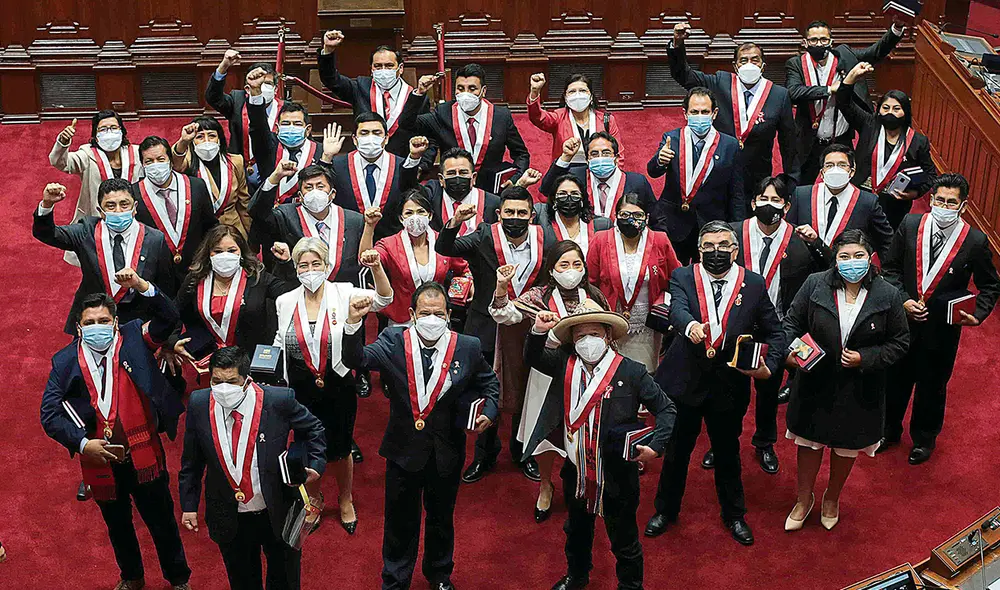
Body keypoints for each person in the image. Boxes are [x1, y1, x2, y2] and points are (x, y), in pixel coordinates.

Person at [341, 282, 500, 590]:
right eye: (425, 312)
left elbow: (489, 384)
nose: (431, 318)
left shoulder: (467, 346)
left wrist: (490, 413)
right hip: (403, 450)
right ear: (412, 314)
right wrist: (352, 323)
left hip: (447, 451)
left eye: (438, 313)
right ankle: (396, 578)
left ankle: (439, 574)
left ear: (448, 314)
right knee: (400, 521)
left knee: (441, 518)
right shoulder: (392, 340)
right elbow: (356, 360)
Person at [39, 286, 191, 590]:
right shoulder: (65, 361)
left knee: (162, 521)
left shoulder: (135, 337)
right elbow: (49, 414)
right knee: (118, 525)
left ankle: (178, 579)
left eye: (104, 320)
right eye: (91, 322)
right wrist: (83, 444)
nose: (98, 327)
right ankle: (132, 576)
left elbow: (169, 316)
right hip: (100, 458)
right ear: (80, 327)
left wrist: (143, 287)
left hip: (144, 450)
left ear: (116, 322)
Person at [646, 221, 785, 546]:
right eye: (708, 246)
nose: (716, 251)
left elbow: (774, 332)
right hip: (685, 382)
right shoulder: (683, 276)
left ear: (735, 250)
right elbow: (676, 309)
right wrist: (690, 324)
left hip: (729, 385)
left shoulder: (752, 283)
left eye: (723, 245)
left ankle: (734, 514)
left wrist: (770, 367)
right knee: (677, 451)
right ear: (699, 250)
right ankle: (665, 510)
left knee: (727, 451)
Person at [523, 300, 676, 590]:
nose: (588, 341)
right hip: (576, 472)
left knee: (624, 540)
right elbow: (532, 357)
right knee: (576, 531)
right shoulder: (563, 365)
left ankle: (630, 586)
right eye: (581, 335)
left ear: (608, 336)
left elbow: (667, 409)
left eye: (594, 334)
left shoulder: (631, 371)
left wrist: (656, 446)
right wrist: (537, 331)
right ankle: (577, 576)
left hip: (617, 475)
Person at [782, 229, 909, 531]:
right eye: (844, 256)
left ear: (869, 258)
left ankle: (831, 498)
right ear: (835, 260)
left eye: (858, 256)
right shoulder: (815, 284)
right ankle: (803, 500)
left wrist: (865, 358)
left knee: (845, 447)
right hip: (815, 383)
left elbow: (900, 342)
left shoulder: (888, 294)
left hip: (860, 388)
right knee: (809, 444)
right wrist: (797, 355)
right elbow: (791, 323)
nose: (852, 262)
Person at [178, 346, 326, 590]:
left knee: (285, 581)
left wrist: (315, 465)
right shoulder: (199, 403)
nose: (223, 388)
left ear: (247, 379)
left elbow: (314, 429)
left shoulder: (279, 400)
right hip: (229, 513)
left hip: (277, 510)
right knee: (243, 582)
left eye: (232, 381)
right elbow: (191, 460)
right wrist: (189, 505)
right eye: (217, 381)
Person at [712, 175, 832, 475]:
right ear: (753, 203)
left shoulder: (799, 240)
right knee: (730, 392)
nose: (769, 205)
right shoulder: (734, 233)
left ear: (787, 206)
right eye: (763, 199)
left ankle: (764, 442)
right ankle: (722, 442)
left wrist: (818, 243)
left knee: (767, 394)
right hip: (734, 326)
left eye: (776, 201)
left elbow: (828, 271)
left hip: (776, 328)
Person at [273, 237, 393, 533]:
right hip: (300, 386)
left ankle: (345, 498)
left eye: (316, 264)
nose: (310, 270)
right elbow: (280, 342)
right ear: (296, 268)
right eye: (303, 265)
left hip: (338, 382)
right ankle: (314, 498)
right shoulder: (285, 300)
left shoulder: (345, 292)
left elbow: (385, 299)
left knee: (339, 447)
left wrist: (377, 268)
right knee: (305, 446)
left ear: (327, 266)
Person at [435, 186, 554, 483]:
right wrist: (453, 222)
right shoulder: (484, 235)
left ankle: (521, 450)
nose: (515, 218)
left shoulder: (547, 238)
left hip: (527, 327)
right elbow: (445, 249)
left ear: (531, 216)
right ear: (499, 214)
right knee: (487, 391)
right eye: (510, 213)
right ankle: (484, 455)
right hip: (486, 325)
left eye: (521, 213)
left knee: (525, 390)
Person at [882, 174, 1000, 464]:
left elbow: (991, 284)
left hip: (943, 330)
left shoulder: (974, 240)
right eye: (940, 200)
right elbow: (890, 269)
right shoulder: (910, 225)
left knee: (932, 386)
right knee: (895, 380)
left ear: (962, 205)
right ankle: (888, 430)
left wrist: (978, 314)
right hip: (902, 324)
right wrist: (904, 300)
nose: (944, 206)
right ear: (932, 199)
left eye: (951, 202)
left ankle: (924, 439)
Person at [489, 241, 610, 522]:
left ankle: (583, 482)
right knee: (545, 437)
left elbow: (610, 335)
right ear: (552, 270)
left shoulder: (594, 296)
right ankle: (545, 485)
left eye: (577, 264)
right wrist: (501, 286)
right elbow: (502, 313)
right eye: (564, 265)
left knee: (584, 433)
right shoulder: (538, 296)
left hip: (585, 376)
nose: (571, 270)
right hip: (545, 375)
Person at [668, 22, 799, 199]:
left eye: (755, 60)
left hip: (757, 171)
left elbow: (788, 143)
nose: (749, 64)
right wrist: (677, 44)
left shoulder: (779, 95)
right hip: (719, 165)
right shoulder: (721, 82)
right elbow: (684, 75)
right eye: (743, 60)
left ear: (763, 65)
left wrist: (790, 181)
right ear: (735, 66)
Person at [33, 179, 176, 333]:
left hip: (138, 325)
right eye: (110, 206)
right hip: (93, 322)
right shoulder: (86, 231)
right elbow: (48, 234)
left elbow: (167, 290)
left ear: (134, 207)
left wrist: (169, 338)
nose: (118, 211)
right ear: (100, 211)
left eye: (124, 204)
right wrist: (46, 205)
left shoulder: (155, 239)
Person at [785, 19, 906, 185]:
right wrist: (829, 89)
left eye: (824, 40)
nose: (819, 44)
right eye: (814, 40)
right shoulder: (796, 64)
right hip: (809, 140)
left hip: (841, 138)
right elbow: (793, 92)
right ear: (805, 42)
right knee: (803, 187)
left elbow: (876, 51)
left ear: (831, 41)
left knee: (844, 185)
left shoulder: (845, 55)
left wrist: (896, 29)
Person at [170, 224, 298, 371]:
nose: (225, 256)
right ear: (208, 254)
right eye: (217, 251)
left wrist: (287, 264)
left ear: (241, 252)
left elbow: (291, 295)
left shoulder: (257, 277)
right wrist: (172, 341)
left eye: (231, 251)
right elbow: (173, 311)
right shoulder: (195, 279)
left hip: (252, 362)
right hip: (208, 362)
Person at [647, 87, 745, 263]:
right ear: (685, 113)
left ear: (714, 113)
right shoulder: (672, 139)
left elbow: (736, 191)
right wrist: (660, 160)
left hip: (711, 225)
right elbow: (653, 172)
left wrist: (736, 229)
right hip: (673, 222)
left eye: (704, 112)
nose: (700, 116)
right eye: (694, 112)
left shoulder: (729, 145)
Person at [836, 62, 938, 229]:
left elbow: (931, 174)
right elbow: (843, 102)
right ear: (879, 110)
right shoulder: (869, 125)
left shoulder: (918, 141)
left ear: (905, 113)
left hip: (895, 203)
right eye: (886, 108)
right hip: (860, 195)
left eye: (896, 108)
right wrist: (852, 76)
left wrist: (915, 193)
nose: (890, 112)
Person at [587, 193, 682, 372]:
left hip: (647, 325)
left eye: (637, 215)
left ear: (646, 217)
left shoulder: (660, 240)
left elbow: (676, 279)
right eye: (625, 215)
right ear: (616, 217)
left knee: (644, 375)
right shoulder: (600, 240)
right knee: (610, 375)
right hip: (610, 323)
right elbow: (590, 282)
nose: (631, 220)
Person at [410, 63, 531, 191]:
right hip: (452, 189)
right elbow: (408, 123)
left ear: (483, 91)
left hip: (489, 191)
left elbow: (521, 154)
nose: (465, 93)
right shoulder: (443, 113)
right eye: (460, 88)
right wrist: (419, 93)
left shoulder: (501, 117)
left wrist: (515, 179)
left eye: (472, 88)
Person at [362, 189, 469, 328]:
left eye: (421, 211)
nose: (415, 217)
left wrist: (466, 284)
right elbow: (366, 258)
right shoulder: (389, 244)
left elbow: (464, 269)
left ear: (430, 215)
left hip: (437, 318)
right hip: (401, 321)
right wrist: (369, 226)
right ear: (401, 218)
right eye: (409, 213)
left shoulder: (443, 242)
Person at [249, 162, 365, 285]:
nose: (315, 192)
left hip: (341, 295)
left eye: (320, 187)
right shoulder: (285, 215)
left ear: (333, 194)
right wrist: (275, 177)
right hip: (296, 291)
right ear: (300, 196)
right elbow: (257, 213)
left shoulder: (355, 221)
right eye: (309, 187)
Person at [317, 30, 429, 157]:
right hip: (366, 159)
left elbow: (426, 134)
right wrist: (328, 51)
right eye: (378, 66)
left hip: (402, 164)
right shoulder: (360, 88)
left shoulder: (415, 97)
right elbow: (331, 80)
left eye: (389, 66)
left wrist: (420, 167)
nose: (383, 70)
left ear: (400, 68)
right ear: (371, 69)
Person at [786, 144, 894, 261]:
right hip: (806, 270)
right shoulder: (801, 195)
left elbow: (887, 242)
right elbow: (788, 232)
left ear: (852, 172)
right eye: (829, 165)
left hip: (847, 271)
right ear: (822, 173)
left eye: (842, 165)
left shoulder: (867, 202)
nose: (835, 169)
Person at [328, 114, 422, 241]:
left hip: (392, 242)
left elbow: (411, 194)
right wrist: (326, 156)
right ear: (355, 139)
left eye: (376, 133)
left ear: (386, 138)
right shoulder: (338, 165)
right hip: (349, 241)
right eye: (364, 133)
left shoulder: (403, 166)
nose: (370, 137)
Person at [132, 136, 218, 273]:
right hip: (156, 272)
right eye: (149, 161)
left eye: (160, 159)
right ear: (142, 165)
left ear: (170, 161)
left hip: (195, 269)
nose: (155, 165)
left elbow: (210, 226)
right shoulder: (134, 193)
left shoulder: (196, 185)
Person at [49, 111, 142, 233]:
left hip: (132, 219)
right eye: (103, 129)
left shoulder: (137, 153)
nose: (109, 132)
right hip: (95, 221)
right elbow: (60, 162)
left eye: (113, 128)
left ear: (122, 131)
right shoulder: (87, 154)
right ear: (96, 135)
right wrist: (63, 142)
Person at [245, 67, 325, 206]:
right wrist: (256, 91)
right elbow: (258, 125)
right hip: (269, 215)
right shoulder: (269, 146)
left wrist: (328, 158)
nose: (291, 127)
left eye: (297, 124)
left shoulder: (320, 151)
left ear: (307, 130)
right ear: (277, 128)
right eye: (286, 123)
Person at [205, 50, 281, 187]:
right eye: (259, 82)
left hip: (276, 171)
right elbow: (213, 98)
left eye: (267, 83)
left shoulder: (287, 110)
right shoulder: (237, 100)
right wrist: (224, 66)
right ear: (247, 88)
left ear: (276, 89)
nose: (262, 87)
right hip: (241, 170)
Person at [170, 118, 252, 239]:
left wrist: (250, 235)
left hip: (233, 229)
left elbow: (243, 202)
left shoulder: (235, 161)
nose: (207, 141)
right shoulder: (187, 163)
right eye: (200, 137)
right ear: (193, 141)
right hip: (202, 232)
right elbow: (175, 164)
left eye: (212, 136)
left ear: (219, 139)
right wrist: (183, 141)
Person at [539, 133, 655, 219]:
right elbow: (546, 190)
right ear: (587, 159)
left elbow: (655, 216)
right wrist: (565, 157)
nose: (600, 157)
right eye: (594, 154)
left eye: (606, 153)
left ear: (616, 158)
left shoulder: (637, 182)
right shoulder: (576, 177)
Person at [526, 72, 626, 167]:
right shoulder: (558, 117)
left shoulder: (607, 120)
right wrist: (535, 91)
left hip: (599, 170)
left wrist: (613, 176)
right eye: (572, 91)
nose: (577, 95)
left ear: (590, 96)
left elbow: (618, 153)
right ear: (565, 97)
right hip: (566, 172)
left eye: (583, 91)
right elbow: (537, 117)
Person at [421, 147, 502, 235]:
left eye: (463, 172)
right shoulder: (431, 201)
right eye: (451, 173)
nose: (457, 178)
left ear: (473, 177)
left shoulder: (494, 204)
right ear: (441, 179)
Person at [534, 174, 613, 258]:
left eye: (574, 194)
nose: (569, 198)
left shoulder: (602, 225)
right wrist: (522, 184)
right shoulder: (540, 217)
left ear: (582, 198)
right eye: (562, 194)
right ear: (554, 199)